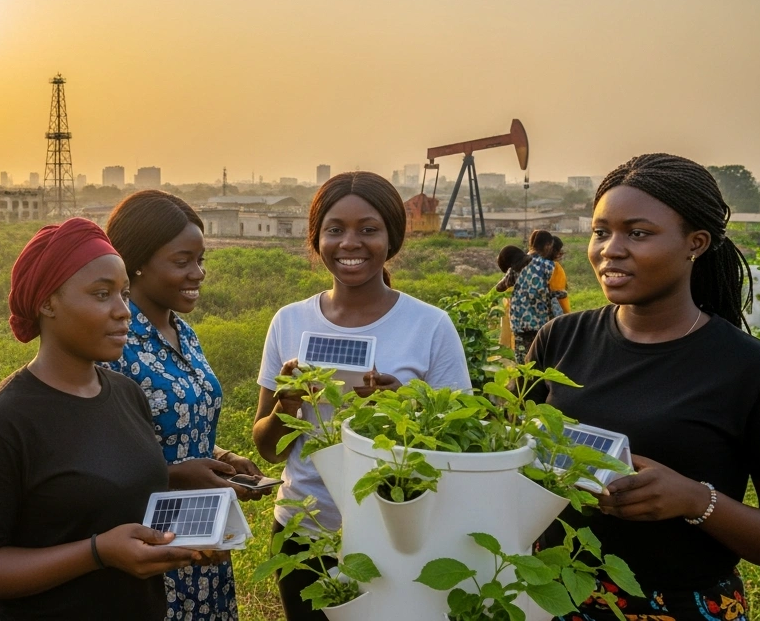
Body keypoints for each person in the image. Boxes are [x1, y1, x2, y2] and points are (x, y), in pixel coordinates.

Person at [528, 153, 760, 621]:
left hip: (679, 607)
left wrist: (696, 500)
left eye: (638, 233)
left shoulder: (747, 369)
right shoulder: (560, 339)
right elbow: (505, 456)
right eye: (601, 232)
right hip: (551, 597)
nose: (610, 249)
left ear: (694, 244)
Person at [0, 218, 205, 620]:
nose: (123, 313)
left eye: (123, 294)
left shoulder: (126, 394)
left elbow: (122, 501)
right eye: (102, 294)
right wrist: (98, 553)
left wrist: (189, 538)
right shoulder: (0, 425)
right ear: (47, 302)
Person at [250, 172, 471, 621]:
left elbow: (460, 450)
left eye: (368, 230)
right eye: (335, 230)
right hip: (305, 531)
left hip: (400, 532)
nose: (350, 243)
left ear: (392, 238)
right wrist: (287, 405)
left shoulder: (429, 326)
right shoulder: (288, 322)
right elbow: (268, 449)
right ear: (317, 238)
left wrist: (403, 408)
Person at [101, 189, 267, 621]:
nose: (198, 273)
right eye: (182, 262)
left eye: (201, 260)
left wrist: (222, 458)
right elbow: (99, 461)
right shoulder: (115, 344)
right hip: (149, 545)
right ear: (136, 262)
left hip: (200, 536)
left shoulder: (183, 332)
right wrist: (178, 475)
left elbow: (172, 428)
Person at [508, 229, 562, 363]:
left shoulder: (518, 263)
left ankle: (522, 383)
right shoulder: (548, 266)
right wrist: (560, 294)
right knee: (541, 359)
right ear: (548, 245)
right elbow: (550, 292)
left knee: (522, 362)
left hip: (519, 322)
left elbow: (501, 286)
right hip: (539, 322)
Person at [495, 245, 531, 350]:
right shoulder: (536, 265)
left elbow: (499, 288)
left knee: (522, 354)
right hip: (538, 320)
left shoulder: (514, 272)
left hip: (520, 322)